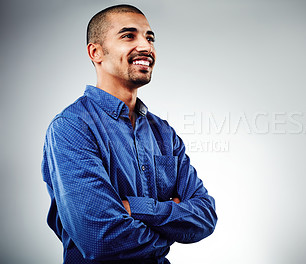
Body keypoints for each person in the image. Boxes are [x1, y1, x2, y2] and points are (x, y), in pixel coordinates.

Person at [41, 4, 217, 264]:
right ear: (96, 52)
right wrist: (169, 230)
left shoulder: (164, 133)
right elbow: (101, 239)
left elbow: (205, 216)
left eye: (149, 37)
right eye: (128, 36)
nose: (146, 46)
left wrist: (135, 208)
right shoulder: (72, 127)